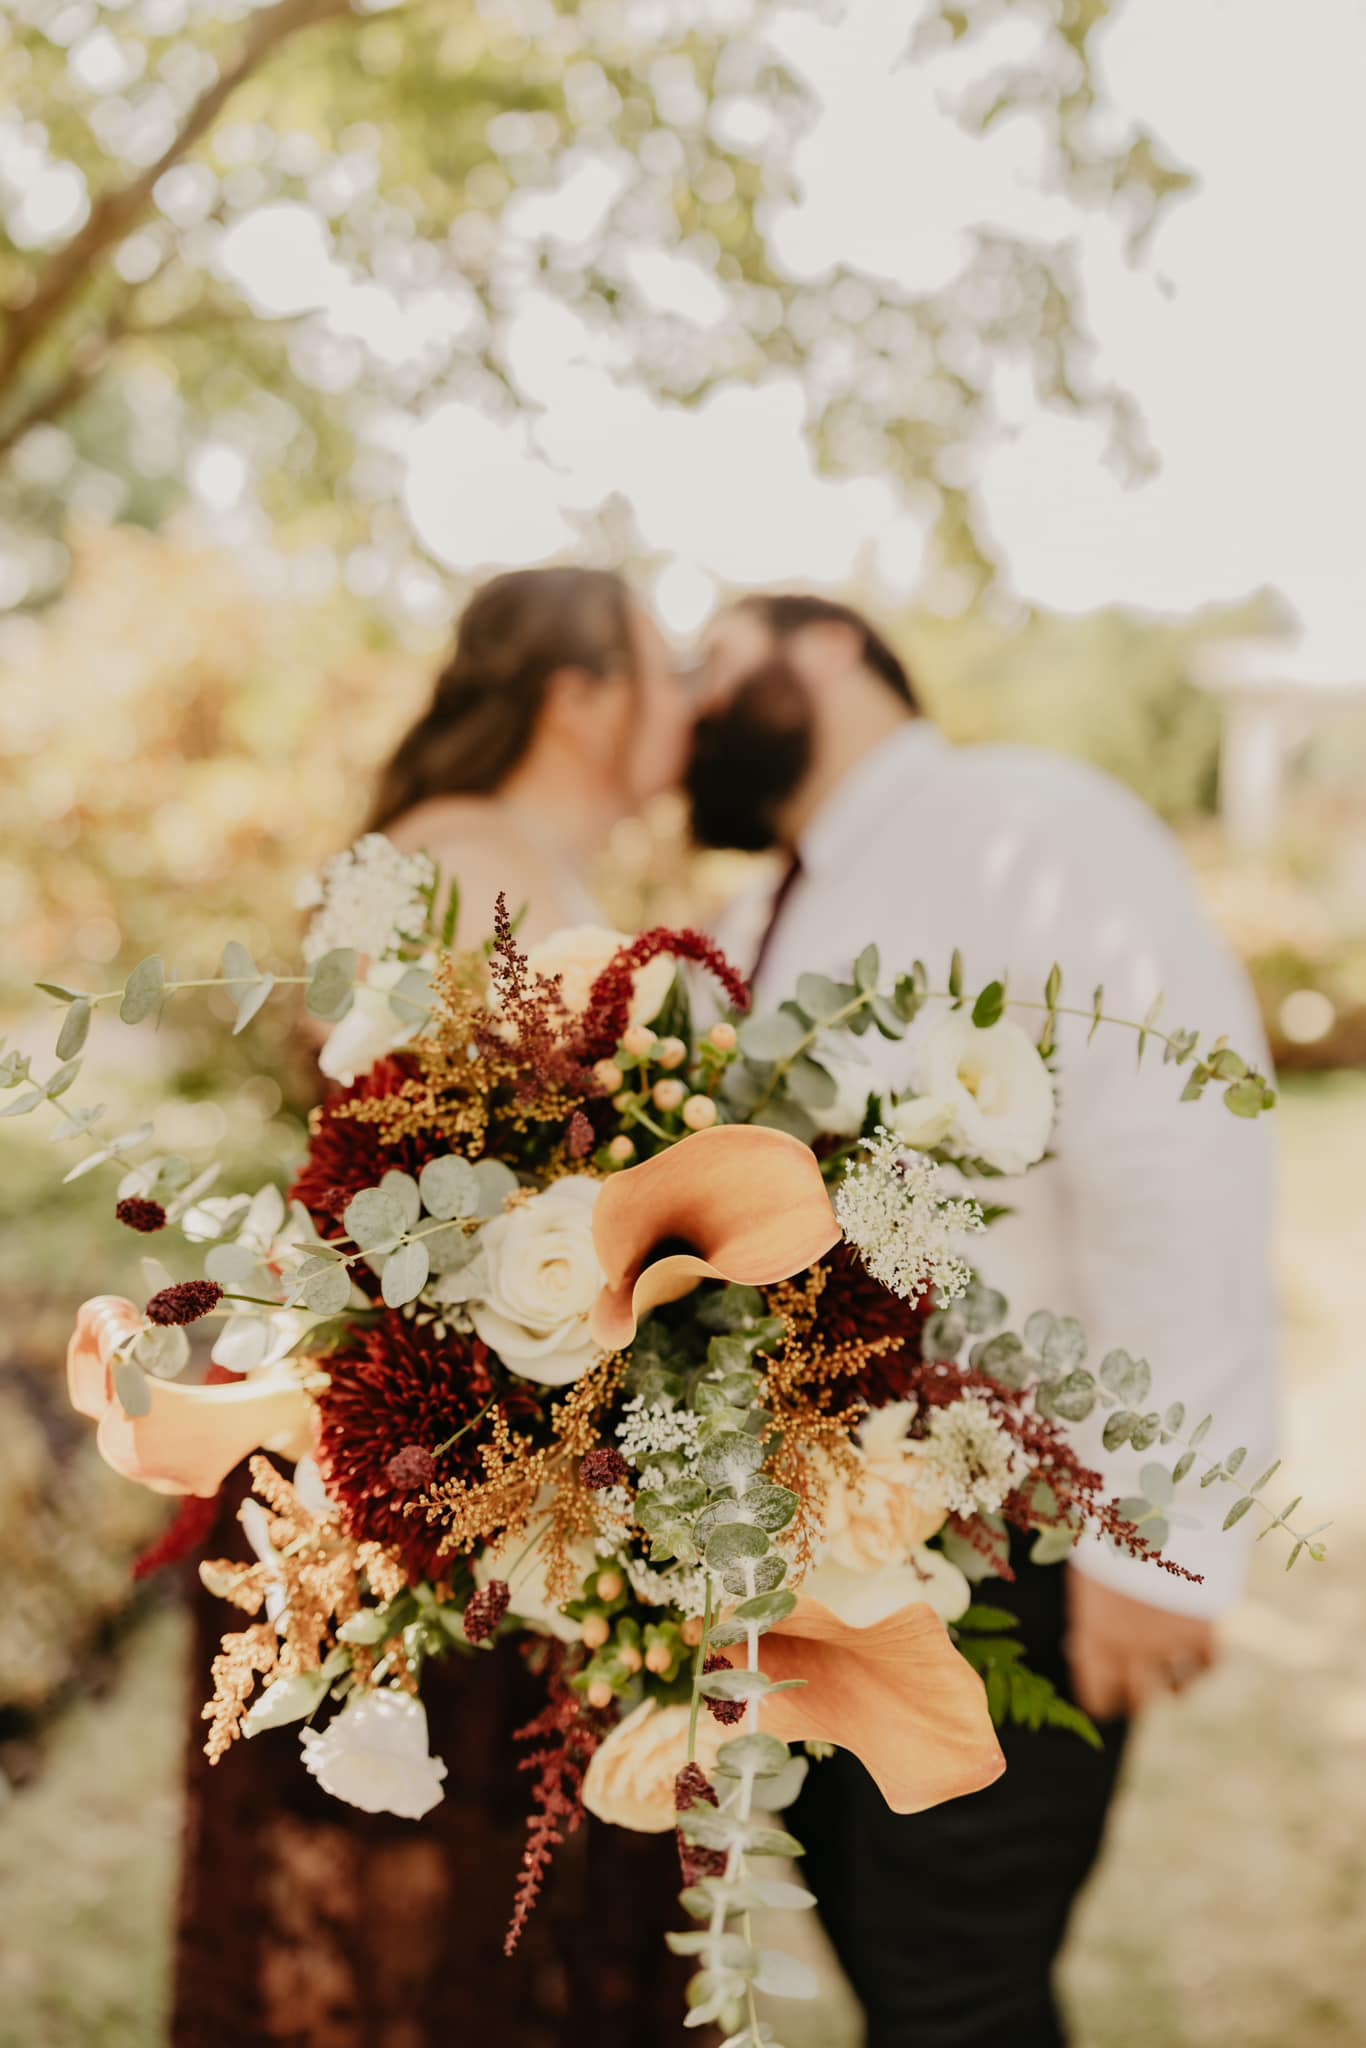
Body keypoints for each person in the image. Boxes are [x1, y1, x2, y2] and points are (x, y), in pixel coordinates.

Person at [687, 591, 1278, 2048]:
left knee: (960, 1985)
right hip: (819, 1552)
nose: (682, 711)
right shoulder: (760, 910)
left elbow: (1173, 1157)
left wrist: (1162, 1540)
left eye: (706, 660)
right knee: (886, 1958)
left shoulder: (1032, 822)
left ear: (819, 648)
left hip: (1021, 1536)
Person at [173, 567, 694, 2048]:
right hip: (441, 1461)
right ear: (580, 696)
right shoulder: (470, 860)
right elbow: (451, 1178)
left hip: (506, 1452)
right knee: (424, 1930)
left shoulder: (518, 859)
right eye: (664, 668)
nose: (691, 702)